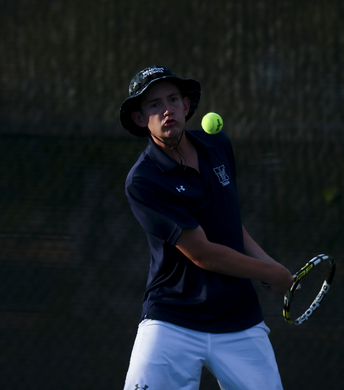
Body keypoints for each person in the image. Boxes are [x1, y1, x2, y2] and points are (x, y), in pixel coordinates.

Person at [120, 65, 293, 390]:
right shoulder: (143, 181)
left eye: (173, 99)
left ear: (186, 106)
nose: (167, 109)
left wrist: (272, 266)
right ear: (140, 119)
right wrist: (268, 273)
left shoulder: (218, 146)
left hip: (239, 322)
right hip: (172, 323)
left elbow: (229, 224)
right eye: (154, 104)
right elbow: (202, 253)